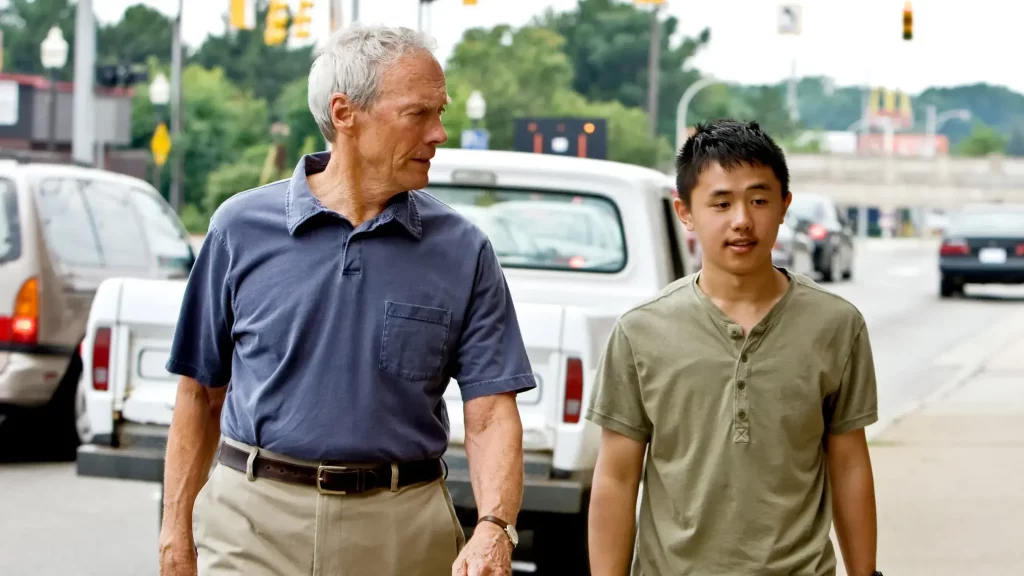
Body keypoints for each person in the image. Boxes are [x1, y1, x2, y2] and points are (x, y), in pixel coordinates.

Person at [158, 24, 536, 576]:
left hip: (402, 530)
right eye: (419, 114)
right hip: (252, 525)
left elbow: (490, 416)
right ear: (345, 113)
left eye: (441, 113)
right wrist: (175, 530)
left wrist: (494, 528)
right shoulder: (238, 229)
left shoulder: (463, 251)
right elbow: (199, 394)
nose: (439, 134)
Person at [585, 119, 881, 576]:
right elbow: (617, 477)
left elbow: (849, 465)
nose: (742, 220)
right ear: (685, 211)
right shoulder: (640, 331)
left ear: (784, 206)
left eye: (759, 200)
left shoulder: (837, 326)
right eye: (721, 203)